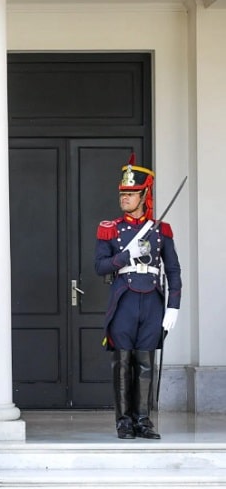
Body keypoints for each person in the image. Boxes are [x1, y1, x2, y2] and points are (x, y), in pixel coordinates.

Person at [95, 155, 181, 440]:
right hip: (124, 300)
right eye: (123, 194)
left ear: (145, 194)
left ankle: (143, 420)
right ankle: (124, 422)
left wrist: (173, 308)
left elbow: (173, 270)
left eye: (131, 194)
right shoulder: (111, 228)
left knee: (145, 362)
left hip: (152, 301)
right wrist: (125, 256)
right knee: (122, 362)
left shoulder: (161, 230)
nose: (125, 198)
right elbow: (100, 266)